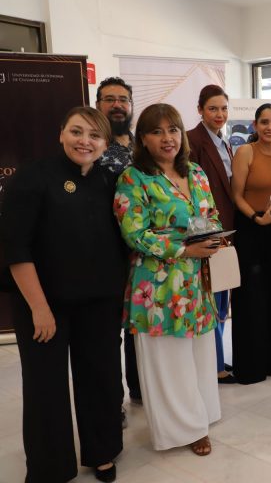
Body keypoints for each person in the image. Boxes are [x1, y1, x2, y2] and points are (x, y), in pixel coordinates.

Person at [1, 106, 125, 482]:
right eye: (76, 132)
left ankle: (102, 451)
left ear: (105, 143)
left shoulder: (109, 180)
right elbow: (15, 249)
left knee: (102, 377)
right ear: (61, 134)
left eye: (94, 135)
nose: (85, 141)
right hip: (44, 303)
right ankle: (50, 467)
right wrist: (39, 308)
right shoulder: (33, 178)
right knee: (46, 387)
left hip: (99, 301)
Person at [114, 103, 222, 456]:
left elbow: (210, 214)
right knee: (170, 361)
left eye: (173, 129)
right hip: (159, 285)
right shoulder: (133, 179)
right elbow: (134, 233)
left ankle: (202, 414)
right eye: (156, 131)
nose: (167, 138)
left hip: (197, 279)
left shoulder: (196, 172)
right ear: (142, 139)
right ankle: (183, 429)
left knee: (200, 351)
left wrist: (213, 236)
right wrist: (184, 250)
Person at [229, 103, 271, 383]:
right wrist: (257, 218)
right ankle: (252, 366)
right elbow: (236, 195)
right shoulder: (246, 152)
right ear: (255, 126)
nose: (270, 127)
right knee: (251, 298)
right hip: (251, 229)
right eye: (265, 122)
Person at [95, 76, 142, 419]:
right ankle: (112, 405)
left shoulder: (143, 145)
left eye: (123, 99)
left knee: (141, 329)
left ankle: (142, 391)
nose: (117, 105)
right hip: (105, 254)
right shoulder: (92, 147)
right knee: (107, 336)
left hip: (145, 253)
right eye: (109, 99)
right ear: (98, 105)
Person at [187, 84, 236, 383]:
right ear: (200, 110)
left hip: (225, 230)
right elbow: (193, 193)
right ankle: (215, 366)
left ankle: (216, 358)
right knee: (212, 300)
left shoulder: (223, 141)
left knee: (221, 300)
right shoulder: (192, 141)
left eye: (224, 108)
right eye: (213, 108)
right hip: (207, 231)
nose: (219, 114)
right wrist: (205, 234)